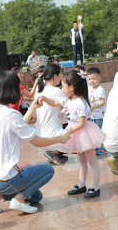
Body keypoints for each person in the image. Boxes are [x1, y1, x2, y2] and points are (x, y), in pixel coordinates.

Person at [0, 71, 69, 214]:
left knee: (36, 197)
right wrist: (59, 139)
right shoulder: (11, 114)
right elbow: (37, 142)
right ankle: (18, 199)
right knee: (48, 170)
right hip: (6, 179)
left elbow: (19, 126)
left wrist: (33, 107)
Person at [39, 70, 105, 198]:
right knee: (81, 161)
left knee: (92, 161)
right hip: (75, 133)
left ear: (71, 87)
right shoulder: (67, 100)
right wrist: (43, 98)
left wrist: (68, 132)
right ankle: (81, 185)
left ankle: (95, 187)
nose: (61, 88)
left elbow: (81, 123)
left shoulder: (80, 102)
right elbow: (53, 103)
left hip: (84, 133)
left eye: (63, 86)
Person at [33, 63, 68, 165]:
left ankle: (55, 153)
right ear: (55, 76)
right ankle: (54, 151)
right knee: (79, 127)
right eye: (60, 75)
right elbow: (67, 109)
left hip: (39, 137)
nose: (61, 78)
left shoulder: (39, 90)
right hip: (53, 139)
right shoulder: (56, 91)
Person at [86, 67, 107, 155]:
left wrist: (93, 107)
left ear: (99, 79)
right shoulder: (89, 88)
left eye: (94, 79)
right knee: (94, 131)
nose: (92, 81)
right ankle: (96, 146)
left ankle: (102, 147)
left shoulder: (100, 90)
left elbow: (102, 102)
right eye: (90, 79)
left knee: (100, 131)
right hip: (92, 115)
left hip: (99, 115)